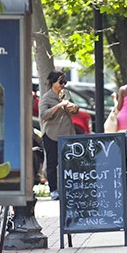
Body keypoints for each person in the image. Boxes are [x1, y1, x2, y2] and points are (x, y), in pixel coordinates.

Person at [38, 71, 79, 200]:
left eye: (64, 82)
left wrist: (74, 107)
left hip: (68, 133)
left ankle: (69, 188)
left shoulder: (66, 94)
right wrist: (59, 105)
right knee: (52, 162)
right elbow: (43, 115)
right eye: (60, 82)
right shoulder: (46, 97)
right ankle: (53, 190)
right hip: (52, 134)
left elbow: (75, 110)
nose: (63, 85)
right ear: (53, 82)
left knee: (70, 162)